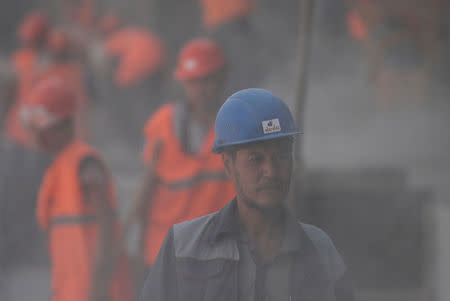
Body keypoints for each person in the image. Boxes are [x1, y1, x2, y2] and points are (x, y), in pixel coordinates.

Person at [139, 88, 355, 301]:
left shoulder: (319, 250)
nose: (270, 172)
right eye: (255, 159)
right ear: (228, 166)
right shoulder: (184, 247)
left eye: (281, 156)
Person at [126, 38, 235, 281]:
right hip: (168, 257)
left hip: (220, 258)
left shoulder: (238, 126)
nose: (200, 88)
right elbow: (144, 194)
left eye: (206, 79)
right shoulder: (162, 125)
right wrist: (134, 250)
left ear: (221, 79)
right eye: (193, 81)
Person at [21, 77, 133, 301]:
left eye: (42, 127)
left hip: (96, 293)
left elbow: (106, 226)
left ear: (64, 124)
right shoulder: (59, 167)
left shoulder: (84, 163)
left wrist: (98, 290)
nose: (37, 135)